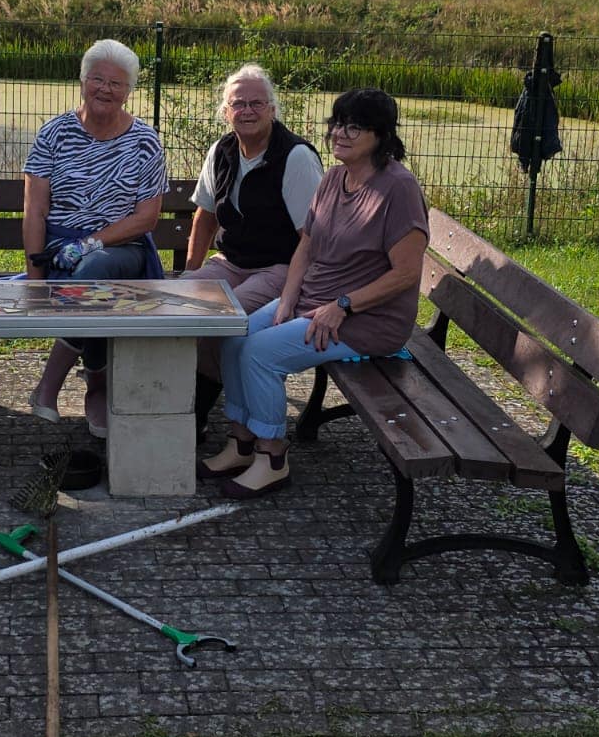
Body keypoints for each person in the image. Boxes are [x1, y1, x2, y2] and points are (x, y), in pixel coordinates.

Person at [200, 88, 428, 498]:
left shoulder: (398, 188)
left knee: (260, 353)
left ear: (381, 134)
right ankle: (242, 442)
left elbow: (407, 274)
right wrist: (286, 300)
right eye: (336, 123)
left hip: (367, 318)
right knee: (235, 335)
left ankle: (272, 456)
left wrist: (344, 306)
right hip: (314, 302)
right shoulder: (335, 177)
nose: (339, 133)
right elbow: (306, 245)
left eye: (354, 126)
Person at [24, 39, 168, 436]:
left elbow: (147, 217)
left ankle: (50, 386)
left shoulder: (145, 140)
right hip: (57, 253)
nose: (105, 89)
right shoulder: (53, 133)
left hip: (123, 249)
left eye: (116, 84)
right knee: (91, 281)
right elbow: (34, 209)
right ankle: (97, 388)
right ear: (83, 80)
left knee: (95, 270)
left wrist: (92, 242)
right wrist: (35, 280)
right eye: (97, 80)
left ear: (129, 90)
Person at [182, 64, 323, 435]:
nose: (247, 111)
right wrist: (189, 274)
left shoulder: (296, 158)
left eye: (257, 103)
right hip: (231, 262)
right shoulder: (221, 151)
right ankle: (163, 404)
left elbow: (312, 240)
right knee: (177, 306)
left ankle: (194, 416)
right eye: (238, 103)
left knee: (221, 317)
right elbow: (205, 217)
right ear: (225, 112)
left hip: (280, 266)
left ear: (273, 109)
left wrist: (294, 292)